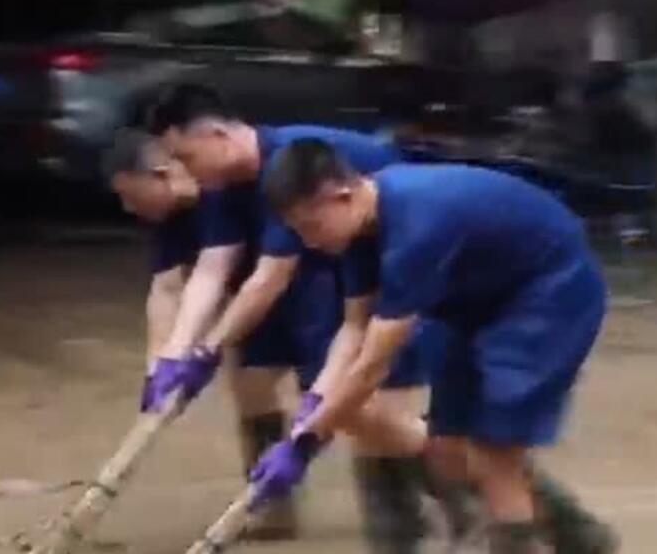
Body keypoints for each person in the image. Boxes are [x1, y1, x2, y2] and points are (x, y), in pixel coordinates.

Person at [250, 139, 619, 554]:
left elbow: (372, 367)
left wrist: (306, 441)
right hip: (472, 302)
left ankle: (517, 543)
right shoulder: (357, 233)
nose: (310, 244)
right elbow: (354, 328)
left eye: (311, 228)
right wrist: (316, 401)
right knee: (446, 449)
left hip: (547, 291)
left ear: (342, 195)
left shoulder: (415, 228)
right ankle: (581, 538)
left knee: (494, 452)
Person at [139, 83, 442, 551]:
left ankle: (431, 519)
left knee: (369, 411)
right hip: (331, 267)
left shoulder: (290, 165)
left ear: (217, 134)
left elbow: (270, 276)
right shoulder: (224, 187)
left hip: (397, 260)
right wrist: (178, 354)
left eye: (188, 157)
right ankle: (281, 506)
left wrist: (208, 349)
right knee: (268, 377)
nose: (188, 173)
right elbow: (212, 267)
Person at [104, 128, 333, 539]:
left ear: (161, 173)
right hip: (253, 291)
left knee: (353, 408)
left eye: (131, 195)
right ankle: (271, 507)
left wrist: (196, 350)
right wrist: (158, 367)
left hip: (305, 276)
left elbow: (214, 273)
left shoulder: (219, 190)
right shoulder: (169, 218)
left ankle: (433, 499)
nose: (127, 207)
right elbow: (168, 287)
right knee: (250, 383)